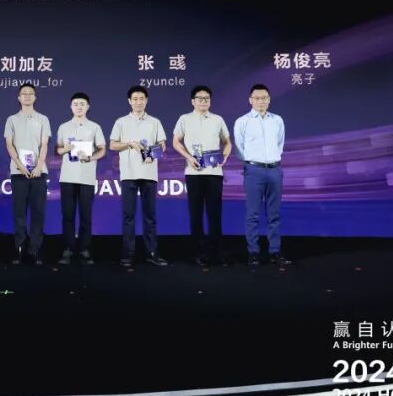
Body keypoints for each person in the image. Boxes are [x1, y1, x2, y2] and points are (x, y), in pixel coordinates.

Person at [171, 85, 232, 266]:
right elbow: (176, 141)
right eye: (200, 98)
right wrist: (188, 157)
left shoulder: (218, 119)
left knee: (215, 213)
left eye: (207, 98)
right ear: (193, 101)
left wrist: (225, 156)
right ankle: (198, 253)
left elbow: (227, 142)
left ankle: (216, 253)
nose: (203, 101)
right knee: (196, 213)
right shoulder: (184, 119)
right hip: (194, 172)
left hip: (214, 172)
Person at [233, 84, 292, 266]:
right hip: (254, 170)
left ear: (269, 99)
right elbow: (239, 148)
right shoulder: (242, 121)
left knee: (274, 214)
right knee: (253, 214)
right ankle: (253, 252)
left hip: (274, 169)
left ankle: (275, 251)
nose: (261, 101)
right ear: (250, 100)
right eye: (257, 98)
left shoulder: (277, 120)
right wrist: (252, 163)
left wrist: (272, 161)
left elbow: (280, 144)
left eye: (264, 98)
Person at [109, 85, 168, 266]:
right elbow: (112, 145)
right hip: (128, 174)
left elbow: (162, 145)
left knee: (150, 216)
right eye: (135, 99)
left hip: (149, 174)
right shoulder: (121, 122)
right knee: (128, 216)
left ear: (146, 100)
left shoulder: (155, 122)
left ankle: (152, 253)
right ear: (129, 101)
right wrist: (129, 144)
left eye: (141, 98)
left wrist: (153, 154)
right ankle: (128, 254)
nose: (138, 102)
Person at [54, 92, 106, 265]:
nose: (79, 107)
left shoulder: (95, 127)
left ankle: (84, 249)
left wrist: (90, 157)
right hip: (67, 177)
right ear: (71, 107)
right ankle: (68, 249)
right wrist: (66, 148)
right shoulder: (63, 127)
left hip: (87, 177)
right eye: (75, 104)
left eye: (82, 104)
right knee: (67, 215)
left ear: (88, 107)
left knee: (86, 215)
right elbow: (58, 150)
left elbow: (102, 150)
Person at [4, 83, 51, 265]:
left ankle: (35, 250)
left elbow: (44, 144)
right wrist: (20, 166)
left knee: (38, 213)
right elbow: (9, 144)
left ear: (35, 97)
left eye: (30, 93)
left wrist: (39, 166)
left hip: (39, 172)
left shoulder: (43, 119)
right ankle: (19, 250)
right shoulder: (11, 119)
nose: (27, 96)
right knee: (19, 214)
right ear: (19, 97)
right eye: (24, 93)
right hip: (18, 173)